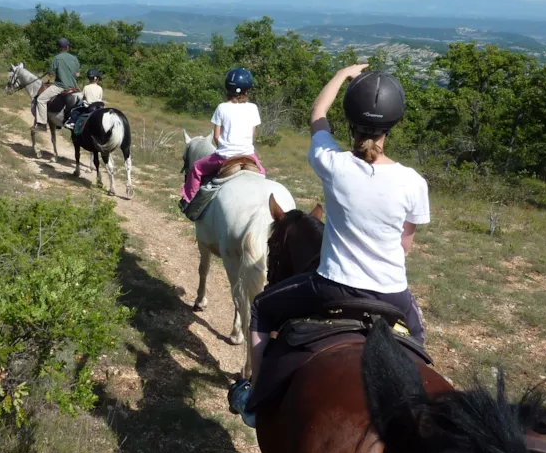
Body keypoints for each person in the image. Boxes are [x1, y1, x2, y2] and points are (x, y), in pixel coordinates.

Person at [228, 64, 431, 427]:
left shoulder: (332, 163)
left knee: (260, 308)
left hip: (333, 287)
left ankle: (255, 398)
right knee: (417, 340)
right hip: (393, 295)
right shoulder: (413, 183)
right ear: (393, 125)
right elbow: (405, 246)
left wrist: (343, 73)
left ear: (351, 122)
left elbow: (317, 113)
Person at [179, 68, 266, 210]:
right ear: (246, 91)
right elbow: (253, 134)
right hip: (248, 155)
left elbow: (216, 136)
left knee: (196, 169)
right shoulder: (253, 108)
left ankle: (189, 199)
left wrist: (223, 147)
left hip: (224, 156)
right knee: (262, 174)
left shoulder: (221, 108)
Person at [34, 38, 80, 131]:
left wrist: (52, 74)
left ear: (60, 48)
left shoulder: (56, 58)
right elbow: (77, 75)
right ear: (67, 47)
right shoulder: (74, 58)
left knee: (41, 99)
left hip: (60, 86)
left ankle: (42, 124)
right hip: (74, 87)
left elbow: (51, 75)